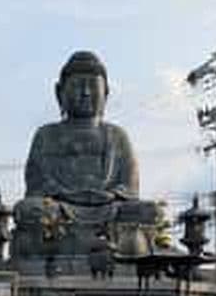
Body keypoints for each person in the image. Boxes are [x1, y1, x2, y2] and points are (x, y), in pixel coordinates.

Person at [11, 51, 156, 261]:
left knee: (146, 210)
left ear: (105, 94)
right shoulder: (46, 134)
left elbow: (129, 187)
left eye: (93, 87)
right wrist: (66, 195)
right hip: (60, 209)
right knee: (28, 210)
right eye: (78, 86)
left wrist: (110, 195)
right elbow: (37, 184)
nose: (86, 93)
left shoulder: (117, 135)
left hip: (109, 208)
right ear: (59, 93)